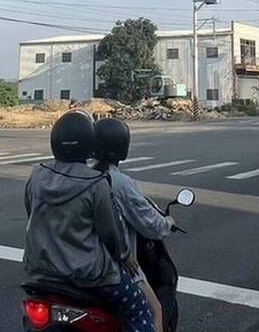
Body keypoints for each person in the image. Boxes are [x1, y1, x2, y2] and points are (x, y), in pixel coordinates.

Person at [23, 110, 156, 332]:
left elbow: (31, 213)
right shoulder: (96, 183)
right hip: (91, 276)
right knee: (140, 310)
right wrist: (125, 257)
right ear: (88, 145)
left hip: (41, 273)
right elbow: (111, 233)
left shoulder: (37, 175)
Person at [93, 118, 175, 332]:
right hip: (113, 267)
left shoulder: (84, 176)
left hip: (73, 264)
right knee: (154, 310)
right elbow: (149, 222)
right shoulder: (118, 182)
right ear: (122, 147)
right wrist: (167, 224)